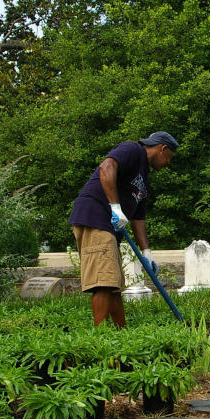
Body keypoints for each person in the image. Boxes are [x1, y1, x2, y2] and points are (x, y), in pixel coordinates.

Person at [67, 131, 178, 327]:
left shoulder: (144, 177)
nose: (168, 163)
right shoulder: (132, 149)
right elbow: (106, 167)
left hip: (108, 227)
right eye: (170, 158)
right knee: (103, 282)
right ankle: (100, 340)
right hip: (96, 217)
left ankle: (122, 335)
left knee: (113, 284)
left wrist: (147, 252)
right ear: (163, 149)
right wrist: (115, 207)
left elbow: (138, 218)